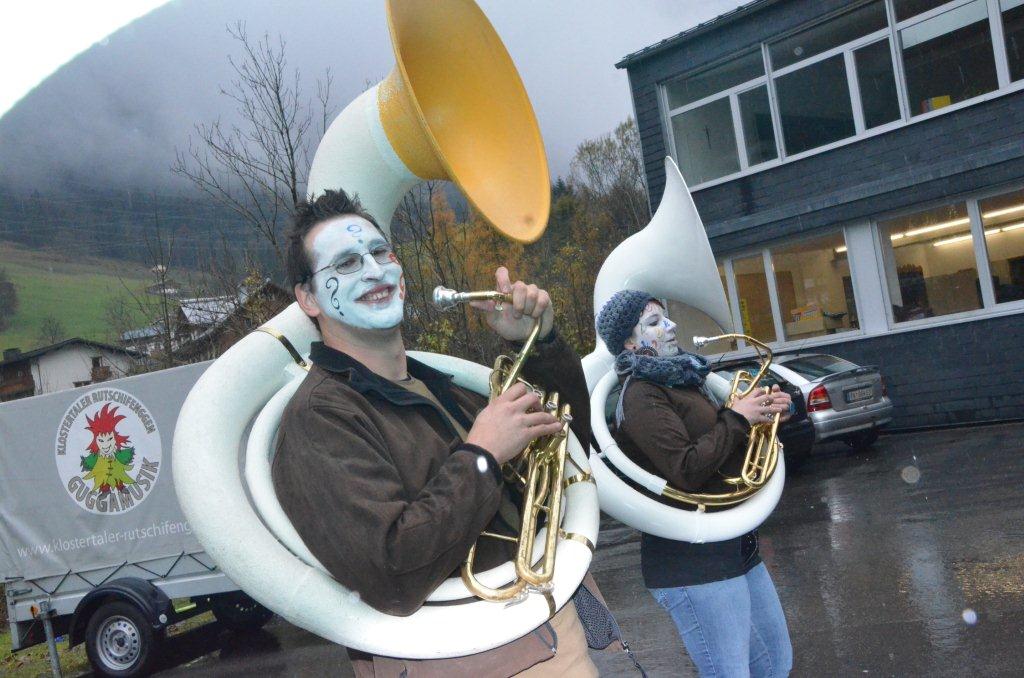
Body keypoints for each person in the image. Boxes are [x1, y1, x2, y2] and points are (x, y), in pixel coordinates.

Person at [272, 189, 603, 677]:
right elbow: (390, 571)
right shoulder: (319, 417)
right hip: (471, 662)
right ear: (308, 298)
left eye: (381, 253)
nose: (374, 270)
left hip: (551, 628)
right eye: (346, 263)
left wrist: (538, 344)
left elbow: (568, 444)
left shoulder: (442, 385)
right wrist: (483, 456)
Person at [596, 289, 794, 678]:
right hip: (691, 560)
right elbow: (686, 468)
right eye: (654, 323)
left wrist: (762, 419)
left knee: (775, 662)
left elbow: (724, 452)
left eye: (666, 317)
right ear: (629, 342)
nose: (670, 327)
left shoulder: (685, 380)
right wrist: (737, 418)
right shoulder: (641, 395)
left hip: (734, 544)